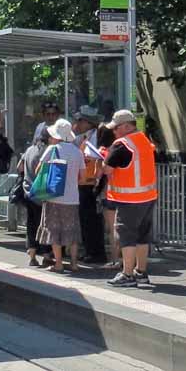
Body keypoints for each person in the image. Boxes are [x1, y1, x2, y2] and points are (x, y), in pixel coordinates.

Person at [103, 110, 158, 287]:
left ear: (126, 126)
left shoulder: (122, 144)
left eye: (116, 128)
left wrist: (103, 157)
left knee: (126, 235)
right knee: (143, 236)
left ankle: (127, 274)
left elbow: (108, 169)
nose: (114, 132)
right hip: (148, 196)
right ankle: (141, 272)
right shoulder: (144, 140)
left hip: (129, 198)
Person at [35, 118, 86, 273]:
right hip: (72, 197)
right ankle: (75, 263)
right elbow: (82, 178)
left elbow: (39, 170)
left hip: (54, 196)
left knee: (54, 230)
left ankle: (58, 264)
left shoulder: (52, 149)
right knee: (72, 230)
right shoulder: (78, 152)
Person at [73, 105, 107, 263]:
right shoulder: (86, 137)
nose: (77, 124)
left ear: (87, 122)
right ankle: (91, 250)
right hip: (85, 182)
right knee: (87, 219)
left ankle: (95, 252)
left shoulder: (93, 137)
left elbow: (92, 157)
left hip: (89, 184)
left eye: (79, 120)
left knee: (90, 219)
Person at [17, 126, 53, 266]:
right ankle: (46, 255)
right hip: (42, 193)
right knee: (44, 224)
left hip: (28, 192)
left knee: (31, 224)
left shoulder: (29, 150)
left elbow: (19, 167)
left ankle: (32, 256)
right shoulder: (47, 151)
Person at [95, 123, 120, 268]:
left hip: (107, 192)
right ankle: (127, 259)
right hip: (122, 192)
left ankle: (115, 259)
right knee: (123, 228)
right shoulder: (119, 149)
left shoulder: (102, 152)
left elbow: (98, 174)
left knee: (112, 229)